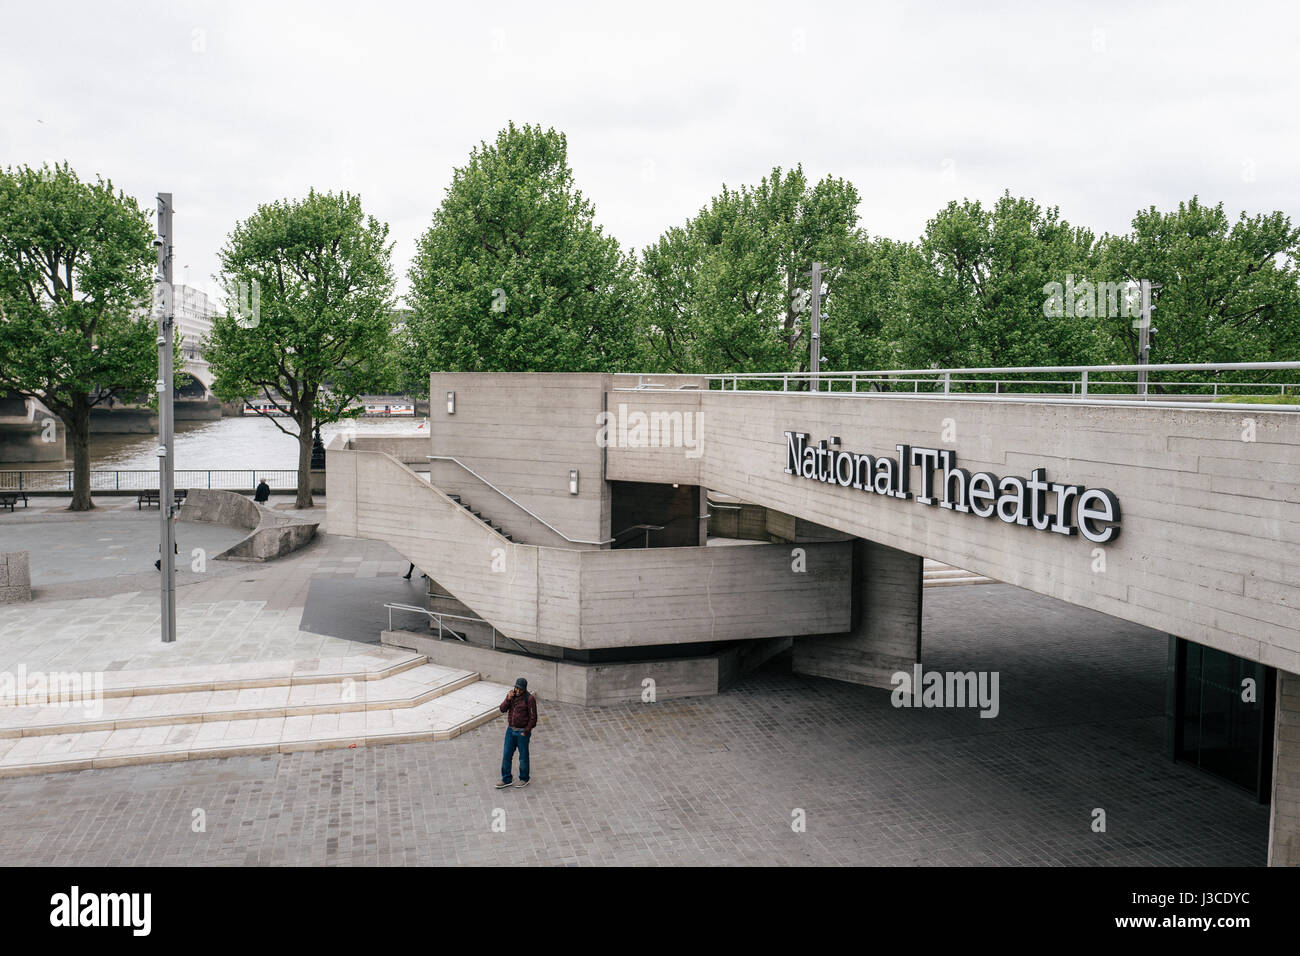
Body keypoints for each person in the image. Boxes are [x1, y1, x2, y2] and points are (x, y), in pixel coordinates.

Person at [496, 678, 537, 788]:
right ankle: (507, 779)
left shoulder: (530, 699)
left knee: (523, 757)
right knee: (506, 755)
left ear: (524, 689)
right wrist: (508, 699)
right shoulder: (511, 696)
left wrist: (526, 731)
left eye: (520, 689)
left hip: (522, 732)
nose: (518, 690)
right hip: (510, 730)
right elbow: (502, 709)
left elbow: (533, 718)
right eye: (516, 688)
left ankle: (524, 778)